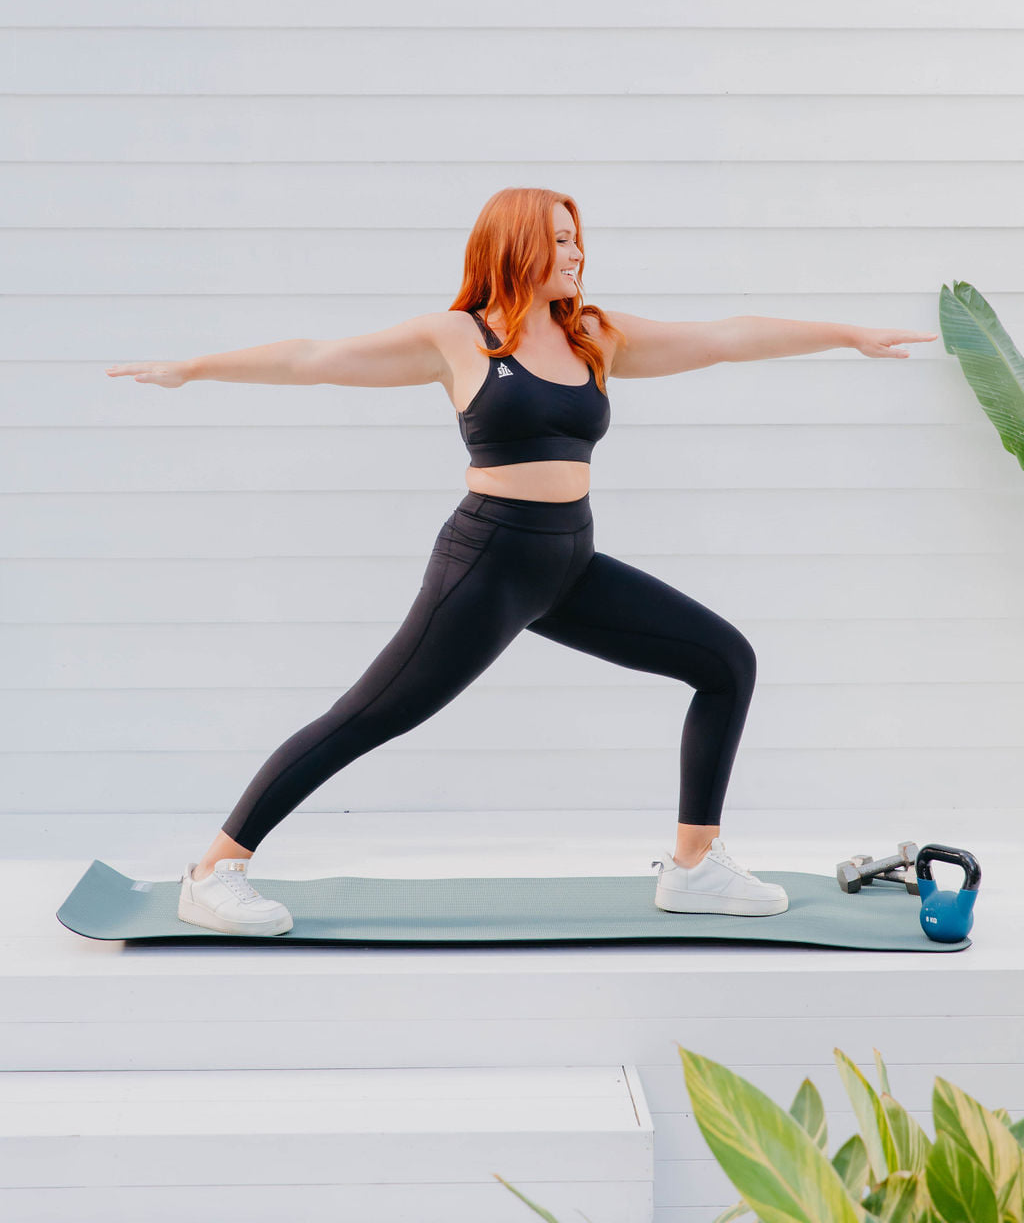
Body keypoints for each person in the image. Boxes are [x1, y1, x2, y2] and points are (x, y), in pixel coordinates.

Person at [106, 187, 937, 936]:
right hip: (490, 561)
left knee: (725, 661)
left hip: (568, 562)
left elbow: (721, 337)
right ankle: (214, 870)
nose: (576, 256)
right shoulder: (458, 338)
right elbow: (314, 360)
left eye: (579, 242)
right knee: (373, 715)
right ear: (514, 249)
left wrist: (844, 335)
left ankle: (694, 868)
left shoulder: (594, 335)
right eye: (561, 243)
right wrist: (198, 367)